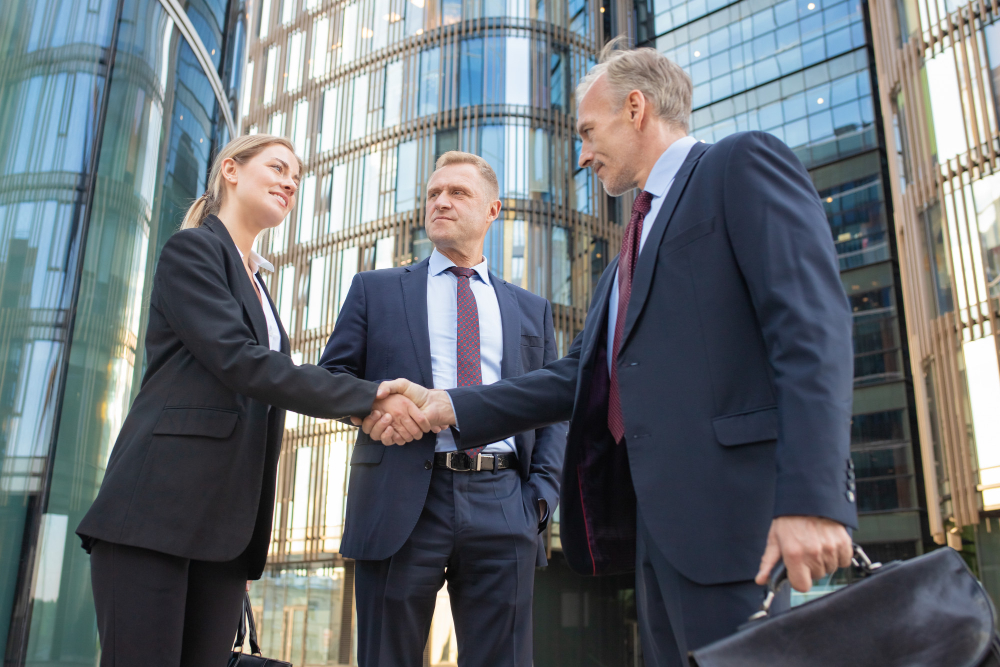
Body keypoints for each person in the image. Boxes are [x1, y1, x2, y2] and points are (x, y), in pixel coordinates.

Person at [365, 41, 858, 665]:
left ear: (636, 108)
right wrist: (446, 408)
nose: (582, 154)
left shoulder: (739, 165)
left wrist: (814, 500)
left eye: (588, 132)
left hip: (738, 524)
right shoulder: (625, 251)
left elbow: (811, 326)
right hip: (660, 533)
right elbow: (575, 378)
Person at [76, 135, 429, 667]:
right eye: (278, 166)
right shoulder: (192, 250)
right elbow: (240, 362)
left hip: (222, 531)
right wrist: (366, 395)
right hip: (155, 513)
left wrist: (360, 405)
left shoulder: (260, 283)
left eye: (297, 176)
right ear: (231, 171)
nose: (290, 181)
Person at [319, 151, 566, 667]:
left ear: (493, 210)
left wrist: (539, 500)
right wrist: (372, 409)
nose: (441, 202)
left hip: (505, 500)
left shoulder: (531, 309)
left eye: (458, 193)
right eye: (434, 193)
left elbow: (551, 408)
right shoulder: (375, 290)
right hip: (400, 496)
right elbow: (331, 379)